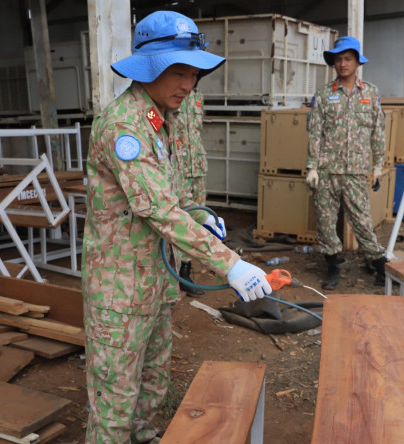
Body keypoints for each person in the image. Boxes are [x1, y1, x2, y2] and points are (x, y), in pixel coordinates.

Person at [81, 11, 273, 444]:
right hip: (120, 293)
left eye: (193, 74)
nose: (188, 84)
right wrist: (231, 265)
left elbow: (169, 198)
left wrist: (200, 214)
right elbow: (159, 212)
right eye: (178, 72)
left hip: (153, 284)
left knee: (151, 388)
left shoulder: (159, 121)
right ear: (150, 68)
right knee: (114, 406)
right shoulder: (124, 127)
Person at [305, 36, 388, 289]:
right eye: (339, 59)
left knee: (362, 221)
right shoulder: (323, 94)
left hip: (355, 171)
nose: (343, 64)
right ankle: (332, 267)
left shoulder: (371, 93)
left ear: (356, 62)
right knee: (325, 222)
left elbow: (378, 131)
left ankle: (380, 266)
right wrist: (312, 167)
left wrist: (377, 167)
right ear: (334, 63)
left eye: (348, 59)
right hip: (327, 171)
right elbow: (315, 132)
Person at [174, 86, 208, 296]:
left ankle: (186, 270)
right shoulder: (170, 94)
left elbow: (196, 131)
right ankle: (178, 272)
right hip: (178, 168)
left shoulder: (198, 96)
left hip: (197, 167)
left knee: (196, 220)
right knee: (180, 220)